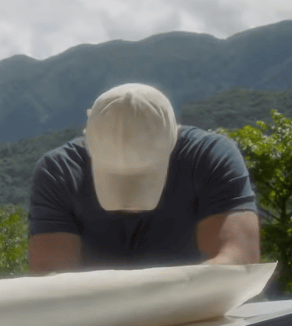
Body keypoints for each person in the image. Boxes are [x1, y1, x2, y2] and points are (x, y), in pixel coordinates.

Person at [27, 83, 261, 273]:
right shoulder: (59, 172)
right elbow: (54, 277)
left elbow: (238, 262)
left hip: (199, 313)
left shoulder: (210, 158)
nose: (131, 207)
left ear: (172, 141)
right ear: (90, 143)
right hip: (99, 316)